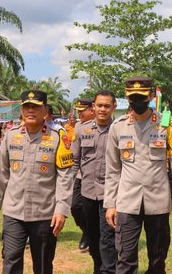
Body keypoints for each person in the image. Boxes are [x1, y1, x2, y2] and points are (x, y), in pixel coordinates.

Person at [104, 77, 172, 274]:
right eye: (133, 98)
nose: (137, 102)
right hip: (126, 202)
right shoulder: (118, 126)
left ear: (150, 96)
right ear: (127, 97)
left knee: (157, 259)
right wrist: (110, 204)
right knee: (125, 258)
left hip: (157, 201)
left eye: (142, 97)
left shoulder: (167, 125)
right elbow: (113, 169)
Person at [0, 90, 74, 274]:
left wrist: (61, 209)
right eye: (26, 106)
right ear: (21, 110)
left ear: (45, 110)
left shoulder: (58, 137)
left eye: (35, 107)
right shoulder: (11, 136)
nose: (30, 111)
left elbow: (65, 177)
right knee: (10, 262)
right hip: (14, 212)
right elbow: (1, 173)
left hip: (44, 214)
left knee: (43, 265)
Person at [73, 90, 118, 274]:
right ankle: (98, 267)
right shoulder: (82, 130)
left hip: (111, 194)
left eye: (107, 106)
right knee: (93, 237)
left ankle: (108, 270)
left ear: (114, 107)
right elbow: (75, 161)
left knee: (108, 239)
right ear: (93, 107)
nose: (102, 109)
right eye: (99, 105)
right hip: (88, 193)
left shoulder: (119, 130)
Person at [71, 98, 95, 253]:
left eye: (82, 111)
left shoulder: (109, 126)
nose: (80, 114)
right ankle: (86, 231)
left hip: (99, 177)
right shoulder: (78, 127)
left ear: (91, 110)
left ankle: (93, 236)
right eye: (78, 111)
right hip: (81, 175)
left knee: (93, 210)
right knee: (75, 207)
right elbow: (75, 155)